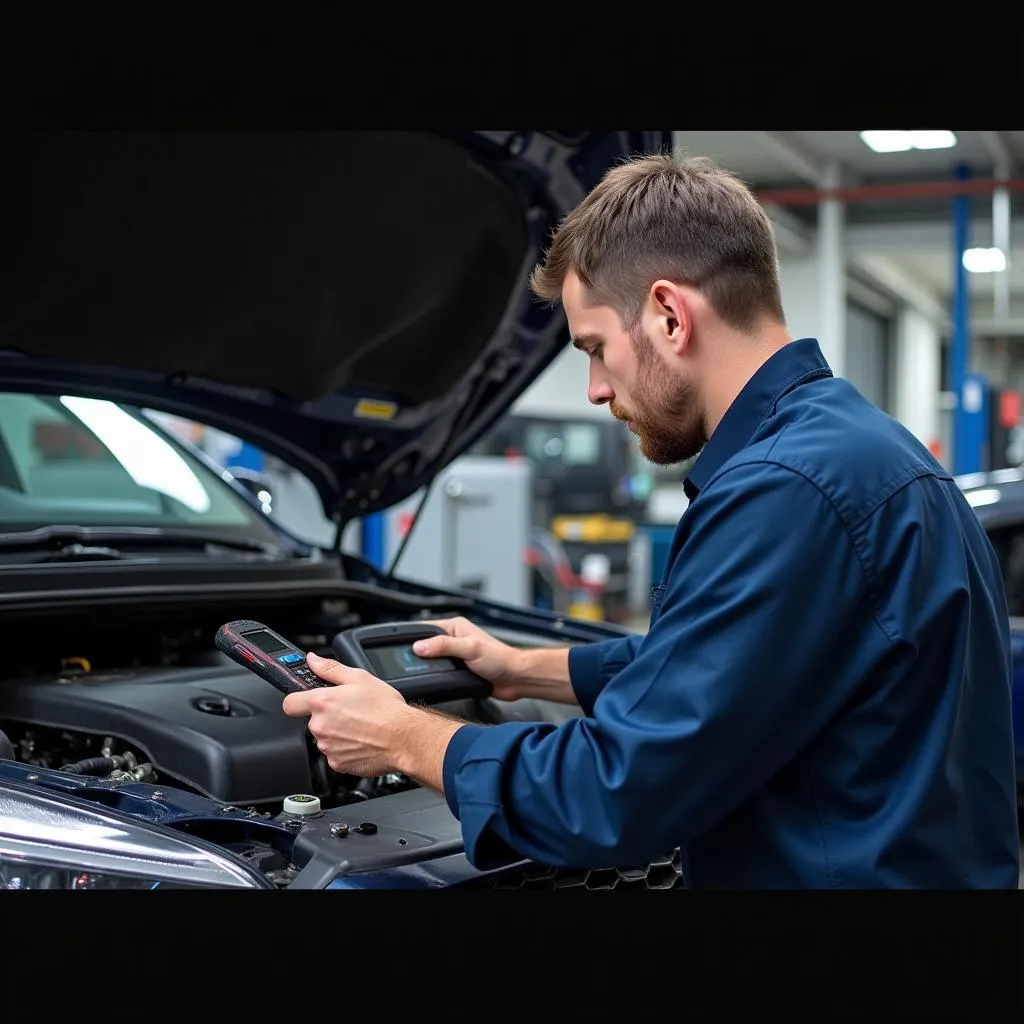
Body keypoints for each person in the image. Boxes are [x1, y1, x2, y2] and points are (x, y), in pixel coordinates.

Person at [282, 153, 1021, 888]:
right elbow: (730, 668)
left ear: (670, 314)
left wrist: (406, 737)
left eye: (596, 348)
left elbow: (615, 794)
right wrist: (523, 668)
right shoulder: (858, 450)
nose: (598, 389)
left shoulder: (784, 490)